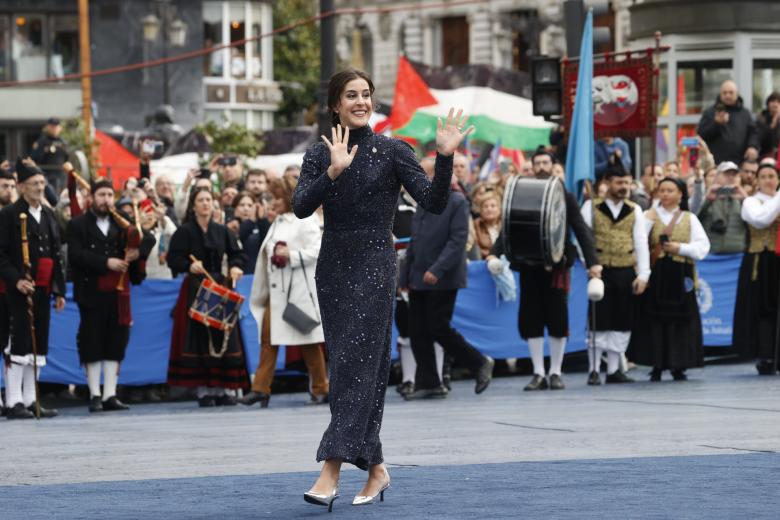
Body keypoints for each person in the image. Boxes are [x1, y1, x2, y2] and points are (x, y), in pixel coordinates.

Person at [294, 68, 470, 510]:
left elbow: (432, 201)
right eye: (351, 95)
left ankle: (330, 470)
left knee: (356, 366)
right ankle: (377, 470)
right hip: (333, 269)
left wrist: (444, 157)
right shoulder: (319, 155)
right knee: (355, 369)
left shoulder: (392, 150)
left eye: (366, 95)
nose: (360, 102)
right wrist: (332, 172)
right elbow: (300, 207)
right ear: (335, 104)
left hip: (375, 267)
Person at [487, 150, 600, 391]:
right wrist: (494, 253)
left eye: (545, 162)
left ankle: (556, 372)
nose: (541, 166)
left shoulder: (564, 195)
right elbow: (509, 227)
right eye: (536, 163)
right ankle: (538, 373)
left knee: (558, 319)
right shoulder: (520, 194)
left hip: (556, 266)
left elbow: (581, 229)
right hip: (529, 265)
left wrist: (593, 262)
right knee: (531, 319)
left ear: (552, 165)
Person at [400, 163, 494, 401]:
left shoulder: (457, 201)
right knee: (417, 331)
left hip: (443, 277)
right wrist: (405, 275)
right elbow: (415, 240)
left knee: (438, 327)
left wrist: (437, 269)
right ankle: (430, 382)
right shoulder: (425, 201)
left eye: (430, 173)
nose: (426, 178)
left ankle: (479, 362)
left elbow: (458, 240)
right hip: (419, 276)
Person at [67, 179, 155, 412]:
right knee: (92, 342)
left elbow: (148, 238)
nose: (105, 200)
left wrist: (137, 252)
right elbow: (75, 255)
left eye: (109, 195)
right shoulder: (79, 225)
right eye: (101, 195)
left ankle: (110, 394)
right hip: (91, 292)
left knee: (116, 342)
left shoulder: (121, 224)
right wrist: (106, 262)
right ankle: (95, 394)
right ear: (91, 197)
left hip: (118, 295)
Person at [244, 177, 328, 407]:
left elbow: (316, 250)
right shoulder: (279, 221)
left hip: (297, 292)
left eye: (276, 197)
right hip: (277, 292)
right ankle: (260, 388)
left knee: (309, 341)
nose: (271, 201)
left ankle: (321, 388)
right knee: (267, 340)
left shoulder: (306, 219)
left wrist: (290, 255)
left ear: (288, 197)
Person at [166, 187, 248, 406]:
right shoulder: (184, 231)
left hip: (219, 286)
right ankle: (204, 391)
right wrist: (188, 265)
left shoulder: (222, 231)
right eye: (201, 200)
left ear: (214, 204)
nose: (205, 204)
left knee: (223, 337)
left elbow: (238, 255)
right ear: (193, 205)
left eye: (208, 200)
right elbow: (173, 258)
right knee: (200, 337)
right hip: (195, 288)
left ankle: (223, 389)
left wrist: (235, 267)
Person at [0, 158, 66, 419]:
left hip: (43, 287)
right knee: (19, 343)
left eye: (42, 182)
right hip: (18, 288)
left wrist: (58, 289)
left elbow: (56, 253)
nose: (40, 188)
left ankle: (31, 398)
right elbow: (1, 254)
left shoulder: (48, 214)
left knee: (39, 344)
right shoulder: (8, 215)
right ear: (22, 186)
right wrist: (16, 279)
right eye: (34, 183)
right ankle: (14, 400)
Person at [629, 178, 710, 381]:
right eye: (662, 190)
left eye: (670, 190)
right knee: (655, 318)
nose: (665, 194)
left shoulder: (689, 218)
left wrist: (680, 248)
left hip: (681, 271)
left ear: (680, 194)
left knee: (681, 318)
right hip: (658, 273)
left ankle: (679, 363)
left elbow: (702, 247)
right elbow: (638, 242)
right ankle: (656, 363)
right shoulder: (649, 215)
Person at [580, 156, 650, 385]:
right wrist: (588, 264)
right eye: (619, 183)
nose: (624, 188)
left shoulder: (635, 210)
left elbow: (641, 242)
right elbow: (583, 239)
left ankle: (613, 370)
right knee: (599, 319)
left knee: (621, 320)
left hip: (624, 270)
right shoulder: (591, 207)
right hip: (600, 270)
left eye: (627, 183)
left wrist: (643, 274)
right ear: (607, 182)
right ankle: (593, 369)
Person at [733, 161, 780, 375]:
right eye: (764, 176)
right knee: (764, 309)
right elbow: (762, 220)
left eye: (772, 176)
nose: (768, 180)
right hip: (761, 260)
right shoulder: (751, 202)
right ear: (757, 181)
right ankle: (766, 354)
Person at [697, 80, 759, 164]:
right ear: (720, 94)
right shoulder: (710, 112)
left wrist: (752, 146)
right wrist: (716, 124)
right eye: (724, 93)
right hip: (716, 163)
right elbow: (702, 135)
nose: (728, 95)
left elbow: (753, 133)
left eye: (731, 92)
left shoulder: (745, 113)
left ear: (737, 94)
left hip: (740, 162)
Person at [696, 161, 748, 254]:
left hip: (737, 255)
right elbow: (693, 220)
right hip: (710, 254)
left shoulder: (745, 198)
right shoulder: (706, 197)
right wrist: (707, 200)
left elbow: (755, 223)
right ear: (717, 177)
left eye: (734, 174)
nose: (731, 177)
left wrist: (745, 200)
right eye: (726, 174)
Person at [30, 118, 69, 195]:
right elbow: (35, 158)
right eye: (52, 127)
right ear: (48, 127)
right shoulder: (42, 142)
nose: (54, 129)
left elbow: (67, 158)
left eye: (56, 127)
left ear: (60, 128)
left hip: (60, 175)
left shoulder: (63, 142)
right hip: (46, 175)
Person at [471, 192, 501, 259]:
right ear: (481, 210)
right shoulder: (475, 225)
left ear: (499, 209)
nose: (489, 209)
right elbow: (474, 249)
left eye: (493, 206)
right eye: (485, 206)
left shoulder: (504, 227)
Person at [756, 91, 780, 158]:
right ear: (768, 104)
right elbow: (760, 139)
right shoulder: (761, 119)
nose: (775, 104)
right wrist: (772, 125)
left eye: (778, 102)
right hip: (765, 155)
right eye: (773, 101)